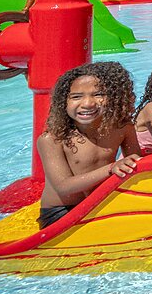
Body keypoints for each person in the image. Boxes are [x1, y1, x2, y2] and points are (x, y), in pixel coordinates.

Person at [35, 62, 141, 230]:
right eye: (76, 96)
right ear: (64, 102)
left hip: (101, 202)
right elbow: (64, 187)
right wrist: (111, 168)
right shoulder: (53, 139)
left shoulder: (123, 127)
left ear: (115, 97)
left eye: (98, 94)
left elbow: (137, 164)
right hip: (61, 212)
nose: (87, 103)